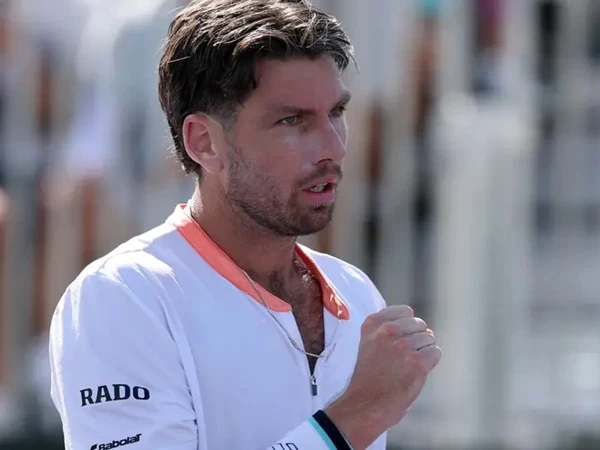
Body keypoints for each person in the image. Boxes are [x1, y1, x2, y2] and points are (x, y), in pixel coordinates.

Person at [48, 1, 442, 449]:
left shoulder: (356, 293)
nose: (332, 147)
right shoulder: (121, 297)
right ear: (204, 142)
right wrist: (351, 419)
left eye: (336, 113)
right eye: (292, 121)